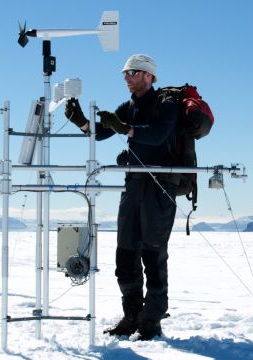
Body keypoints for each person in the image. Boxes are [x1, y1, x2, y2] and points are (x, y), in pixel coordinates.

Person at [64, 54, 178, 340]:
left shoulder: (166, 104)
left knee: (153, 255)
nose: (128, 78)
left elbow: (158, 135)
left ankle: (151, 321)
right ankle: (131, 316)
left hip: (159, 187)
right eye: (125, 73)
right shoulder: (128, 107)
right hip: (133, 187)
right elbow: (102, 132)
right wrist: (82, 123)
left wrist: (124, 128)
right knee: (125, 252)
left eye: (134, 73)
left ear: (150, 76)